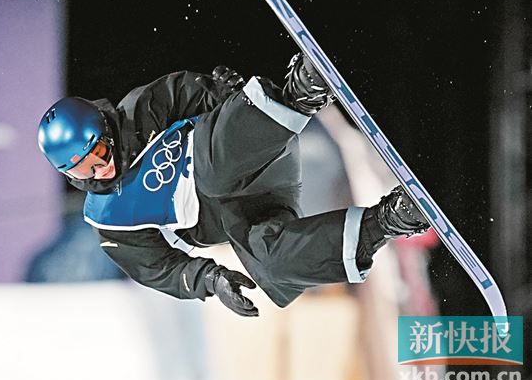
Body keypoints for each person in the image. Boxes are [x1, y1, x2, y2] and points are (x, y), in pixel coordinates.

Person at [37, 53, 429, 317]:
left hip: (256, 150)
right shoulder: (108, 219)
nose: (100, 170)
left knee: (211, 174)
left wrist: (229, 95)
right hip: (247, 207)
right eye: (83, 170)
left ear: (105, 128)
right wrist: (211, 279)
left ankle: (302, 93)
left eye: (98, 152)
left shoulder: (141, 109)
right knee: (274, 270)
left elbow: (195, 94)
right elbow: (160, 269)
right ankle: (390, 220)